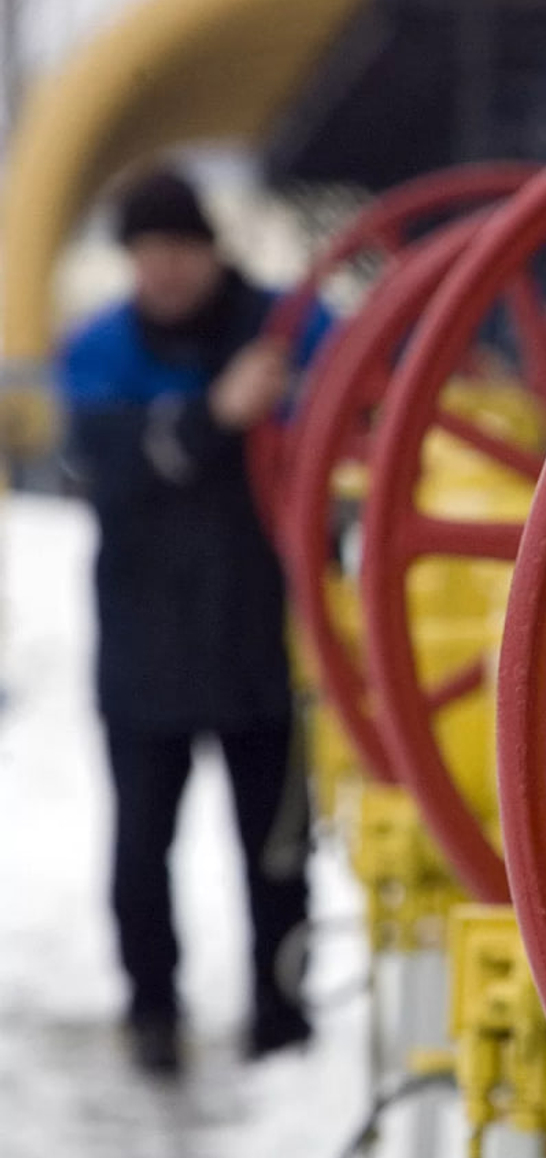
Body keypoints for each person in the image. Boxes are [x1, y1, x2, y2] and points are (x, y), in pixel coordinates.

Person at [56, 167, 327, 1076]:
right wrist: (215, 415)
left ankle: (282, 1026)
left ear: (212, 250)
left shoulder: (291, 330)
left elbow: (370, 389)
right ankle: (152, 1015)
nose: (165, 269)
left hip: (264, 644)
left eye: (180, 249)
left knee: (277, 853)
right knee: (141, 854)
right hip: (147, 646)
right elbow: (109, 463)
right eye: (148, 254)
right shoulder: (99, 349)